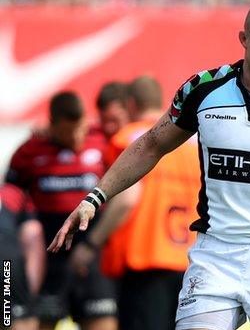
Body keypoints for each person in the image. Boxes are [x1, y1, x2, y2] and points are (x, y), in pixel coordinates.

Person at [48, 0, 250, 330]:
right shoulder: (205, 89)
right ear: (244, 39)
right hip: (215, 258)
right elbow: (151, 144)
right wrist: (95, 197)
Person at [68, 76, 201, 330]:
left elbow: (127, 197)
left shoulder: (127, 138)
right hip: (190, 262)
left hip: (145, 259)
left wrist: (92, 244)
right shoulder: (193, 143)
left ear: (130, 104)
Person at [5, 91, 118, 330]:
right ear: (53, 126)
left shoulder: (102, 140)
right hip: (50, 258)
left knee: (103, 322)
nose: (76, 137)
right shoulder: (30, 150)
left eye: (80, 129)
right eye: (68, 131)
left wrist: (92, 244)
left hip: (92, 256)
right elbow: (11, 201)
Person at [0, 184, 45, 330]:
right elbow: (33, 234)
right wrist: (29, 292)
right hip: (7, 266)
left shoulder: (12, 194)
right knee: (16, 319)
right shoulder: (13, 193)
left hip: (6, 266)